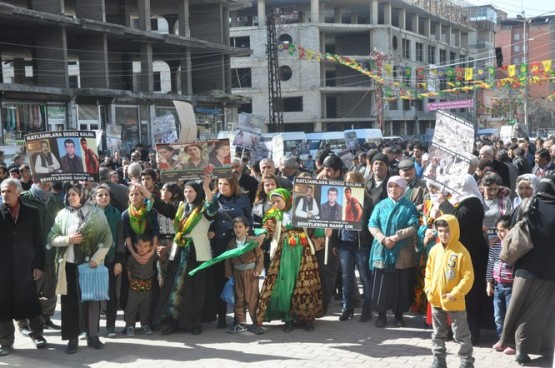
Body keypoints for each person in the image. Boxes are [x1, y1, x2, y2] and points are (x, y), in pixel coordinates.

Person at [140, 176, 218, 336]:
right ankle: (173, 321)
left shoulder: (204, 208)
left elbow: (212, 207)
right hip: (180, 250)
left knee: (195, 288)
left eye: (191, 191)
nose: (188, 194)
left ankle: (194, 322)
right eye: (186, 191)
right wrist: (145, 192)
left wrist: (206, 187)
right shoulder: (181, 208)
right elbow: (162, 206)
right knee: (175, 287)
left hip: (197, 252)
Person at [48, 183, 112, 354]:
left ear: (83, 194)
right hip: (69, 265)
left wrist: (97, 258)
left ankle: (93, 336)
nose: (71, 197)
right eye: (69, 194)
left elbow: (107, 238)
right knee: (70, 304)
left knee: (92, 302)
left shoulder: (96, 213)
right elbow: (52, 237)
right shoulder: (62, 214)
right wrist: (68, 239)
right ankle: (72, 338)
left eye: (74, 194)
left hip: (89, 264)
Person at [500, 175, 555, 366]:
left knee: (518, 307)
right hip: (549, 271)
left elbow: (513, 230)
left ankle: (509, 343)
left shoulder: (527, 205)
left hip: (523, 267)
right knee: (540, 312)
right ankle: (540, 350)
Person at [256, 188, 323, 332]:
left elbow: (314, 228)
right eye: (273, 201)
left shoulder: (302, 209)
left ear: (286, 199)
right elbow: (268, 227)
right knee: (286, 284)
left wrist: (323, 231)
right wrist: (262, 235)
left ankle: (307, 318)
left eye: (278, 201)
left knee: (305, 283)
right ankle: (288, 318)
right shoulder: (273, 213)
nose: (275, 204)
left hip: (304, 251)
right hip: (284, 252)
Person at [438, 174, 491, 345]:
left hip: (472, 255)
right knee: (455, 291)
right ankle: (454, 330)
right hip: (457, 254)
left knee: (471, 293)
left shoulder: (473, 201)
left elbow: (457, 219)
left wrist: (443, 202)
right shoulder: (460, 201)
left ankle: (472, 332)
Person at [0, 179, 48, 356]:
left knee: (30, 301)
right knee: (3, 305)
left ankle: (38, 335)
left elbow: (38, 241)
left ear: (18, 192)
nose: (5, 194)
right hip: (3, 269)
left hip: (25, 266)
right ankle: (5, 342)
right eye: (3, 191)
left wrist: (39, 264)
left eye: (9, 191)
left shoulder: (31, 212)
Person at [368, 176, 419, 328]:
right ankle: (381, 315)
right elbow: (372, 224)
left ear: (403, 188)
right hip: (382, 249)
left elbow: (414, 225)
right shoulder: (381, 205)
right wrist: (383, 239)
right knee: (382, 285)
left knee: (400, 285)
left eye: (396, 186)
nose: (392, 189)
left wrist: (396, 237)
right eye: (390, 186)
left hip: (401, 252)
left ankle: (398, 316)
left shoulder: (409, 207)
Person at [425, 215, 475, 368]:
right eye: (440, 231)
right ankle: (438, 359)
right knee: (438, 333)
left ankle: (466, 361)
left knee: (461, 334)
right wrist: (428, 290)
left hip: (455, 301)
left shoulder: (461, 252)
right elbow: (428, 272)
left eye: (446, 231)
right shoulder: (434, 250)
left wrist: (455, 293)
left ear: (453, 230)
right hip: (436, 299)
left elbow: (468, 277)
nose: (443, 234)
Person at [17, 180, 64, 335]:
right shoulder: (24, 198)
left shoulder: (56, 200)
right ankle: (23, 324)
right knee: (27, 291)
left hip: (51, 253)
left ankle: (46, 318)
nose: (45, 183)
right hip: (30, 255)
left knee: (50, 290)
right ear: (35, 179)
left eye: (48, 180)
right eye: (42, 179)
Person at [210, 176, 253, 328]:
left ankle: (238, 317)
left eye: (226, 184)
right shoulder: (214, 199)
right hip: (220, 246)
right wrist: (210, 232)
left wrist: (251, 243)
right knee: (221, 282)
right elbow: (208, 218)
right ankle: (221, 316)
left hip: (238, 245)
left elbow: (250, 220)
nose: (222, 186)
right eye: (220, 184)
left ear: (233, 185)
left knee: (239, 283)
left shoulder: (243, 199)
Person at [335, 171, 373, 322]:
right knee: (346, 277)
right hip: (344, 242)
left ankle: (367, 309)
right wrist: (334, 241)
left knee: (365, 277)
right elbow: (334, 223)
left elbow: (368, 223)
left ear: (359, 183)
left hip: (361, 244)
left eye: (352, 181)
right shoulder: (342, 200)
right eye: (346, 181)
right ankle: (346, 308)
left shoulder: (367, 201)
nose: (348, 183)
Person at [93, 184, 124, 338]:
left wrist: (119, 260)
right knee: (93, 295)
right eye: (100, 195)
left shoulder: (116, 214)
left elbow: (120, 239)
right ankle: (92, 327)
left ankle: (111, 326)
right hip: (93, 261)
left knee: (111, 294)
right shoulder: (88, 214)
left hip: (111, 259)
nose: (104, 197)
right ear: (94, 198)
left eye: (106, 195)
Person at [225, 217, 264, 334]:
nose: (238, 229)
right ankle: (240, 323)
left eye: (240, 227)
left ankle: (256, 323)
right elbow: (227, 260)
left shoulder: (252, 241)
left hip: (251, 274)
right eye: (235, 227)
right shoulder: (231, 243)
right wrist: (229, 274)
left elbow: (260, 256)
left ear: (246, 228)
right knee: (239, 298)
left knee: (252, 298)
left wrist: (258, 269)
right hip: (237, 274)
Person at [487, 215, 515, 355]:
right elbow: (491, 264)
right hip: (498, 285)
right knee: (498, 315)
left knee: (511, 315)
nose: (500, 233)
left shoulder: (515, 245)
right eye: (498, 230)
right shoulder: (495, 244)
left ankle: (511, 342)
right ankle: (501, 340)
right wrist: (488, 283)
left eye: (503, 230)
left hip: (511, 286)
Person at [124, 235, 156, 337]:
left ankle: (145, 325)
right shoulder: (132, 258)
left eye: (145, 246)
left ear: (150, 248)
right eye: (140, 245)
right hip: (134, 287)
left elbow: (161, 258)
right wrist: (131, 281)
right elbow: (128, 270)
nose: (142, 248)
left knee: (145, 307)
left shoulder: (152, 256)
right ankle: (130, 326)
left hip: (147, 288)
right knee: (131, 307)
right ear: (135, 246)